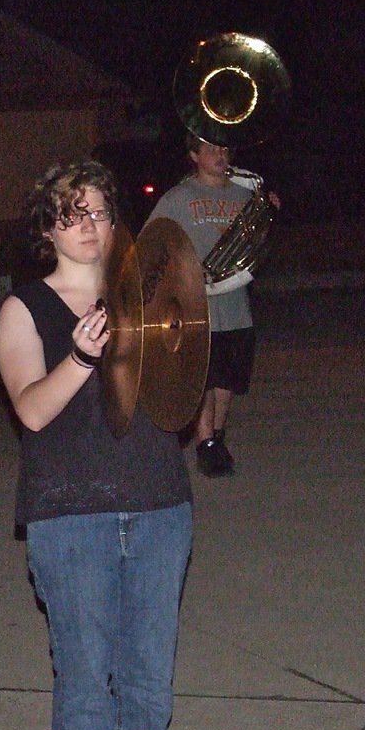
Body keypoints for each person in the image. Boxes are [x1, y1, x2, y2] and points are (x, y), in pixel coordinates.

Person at [0, 161, 193, 730]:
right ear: (47, 228)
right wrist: (80, 359)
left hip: (159, 503)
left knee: (149, 683)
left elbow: (182, 395)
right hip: (69, 513)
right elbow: (31, 411)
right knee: (85, 682)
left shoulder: (151, 299)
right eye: (72, 213)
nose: (89, 225)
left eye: (101, 212)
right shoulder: (24, 308)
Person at [146, 134, 279, 478]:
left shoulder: (246, 196)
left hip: (235, 299)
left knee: (228, 377)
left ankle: (217, 437)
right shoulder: (178, 197)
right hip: (194, 302)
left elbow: (258, 244)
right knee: (203, 376)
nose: (220, 155)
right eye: (211, 149)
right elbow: (153, 240)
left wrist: (270, 210)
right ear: (194, 155)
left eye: (224, 149)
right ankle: (205, 444)